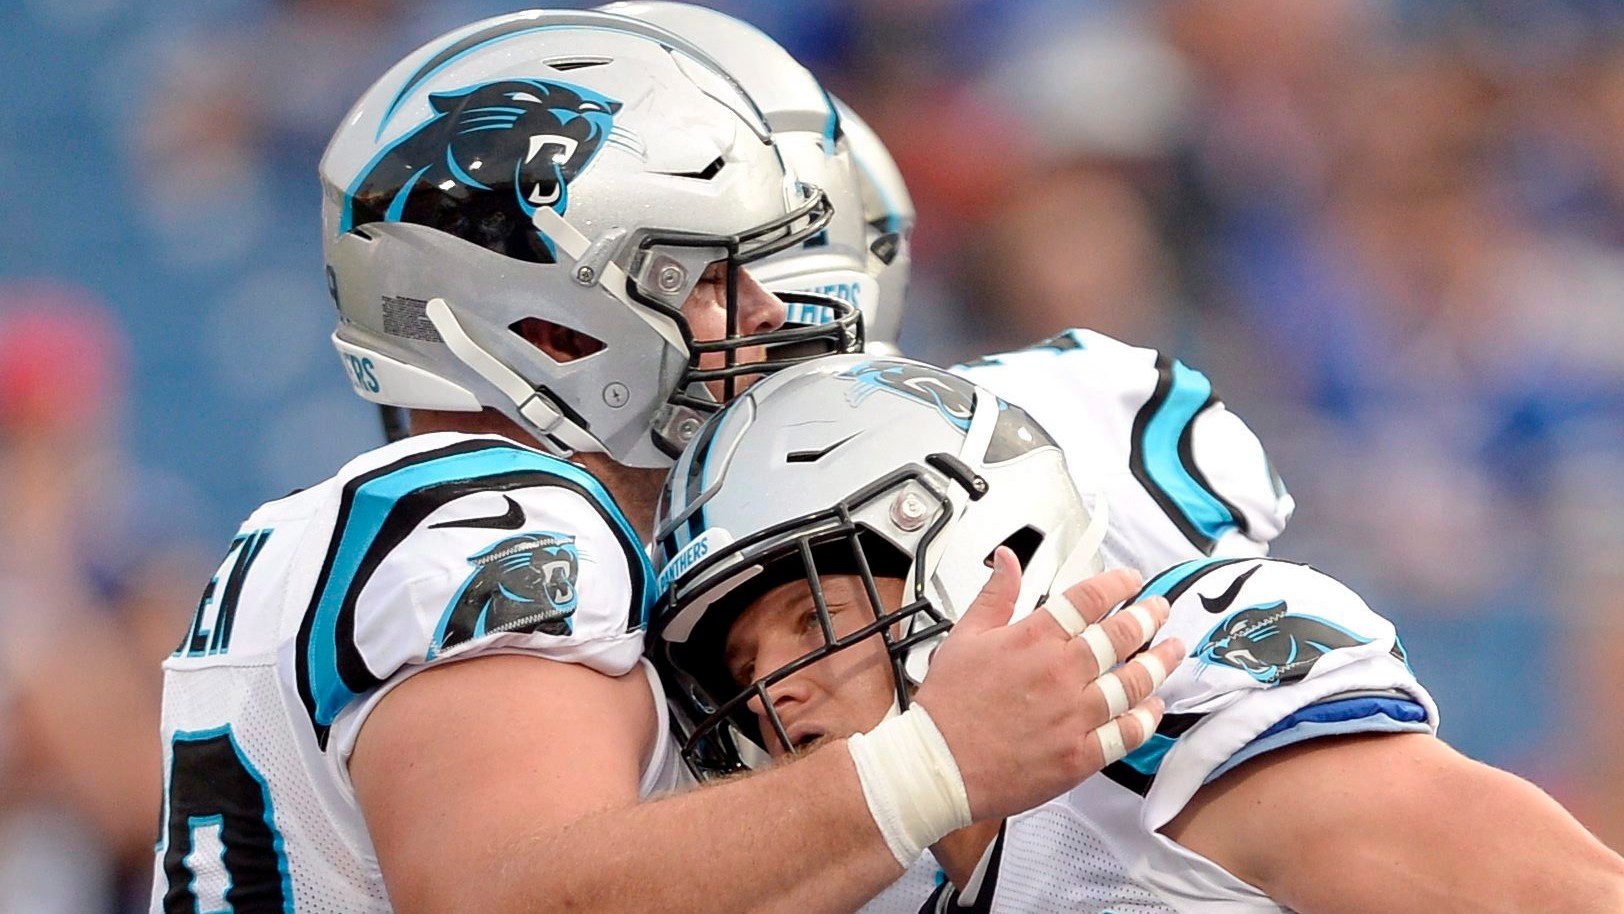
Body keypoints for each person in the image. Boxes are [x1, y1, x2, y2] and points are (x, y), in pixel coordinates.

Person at [147, 10, 1174, 913]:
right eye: (705, 279)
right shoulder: (508, 512)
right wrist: (931, 765)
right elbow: (506, 896)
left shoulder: (369, 521)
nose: (762, 314)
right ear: (544, 327)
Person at [650, 353, 1624, 913]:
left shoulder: (1160, 725)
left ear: (983, 548)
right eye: (740, 662)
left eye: (814, 615)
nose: (772, 687)